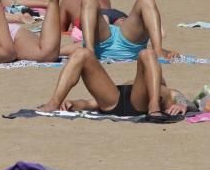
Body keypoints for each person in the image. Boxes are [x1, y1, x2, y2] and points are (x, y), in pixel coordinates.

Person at [36, 48, 190, 122]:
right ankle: (53, 103)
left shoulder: (170, 92)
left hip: (140, 103)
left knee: (147, 54)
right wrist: (74, 103)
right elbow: (91, 103)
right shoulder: (134, 83)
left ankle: (154, 107)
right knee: (82, 53)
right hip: (115, 100)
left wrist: (182, 105)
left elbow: (184, 100)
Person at [77, 0, 174, 61]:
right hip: (111, 40)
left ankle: (158, 51)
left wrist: (166, 51)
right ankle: (89, 52)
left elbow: (67, 50)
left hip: (123, 39)